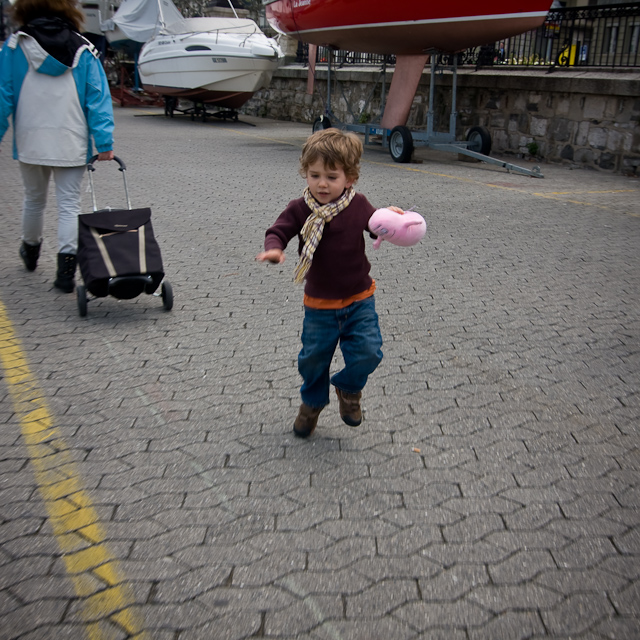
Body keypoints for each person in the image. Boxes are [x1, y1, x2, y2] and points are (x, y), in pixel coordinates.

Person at [256, 128, 403, 438]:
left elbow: (377, 226)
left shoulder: (358, 204)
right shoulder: (301, 208)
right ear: (305, 174)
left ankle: (348, 390)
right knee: (312, 360)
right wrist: (274, 248)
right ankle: (311, 403)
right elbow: (279, 230)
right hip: (319, 305)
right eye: (314, 175)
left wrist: (394, 221)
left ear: (349, 178)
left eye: (331, 177)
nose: (322, 183)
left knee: (369, 352)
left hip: (359, 299)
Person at [0, 0, 115, 293]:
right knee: (68, 206)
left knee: (33, 200)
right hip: (70, 139)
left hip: (30, 139)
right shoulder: (84, 48)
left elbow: (3, 95)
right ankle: (65, 272)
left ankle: (31, 251)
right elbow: (97, 98)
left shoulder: (15, 46)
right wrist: (104, 143)